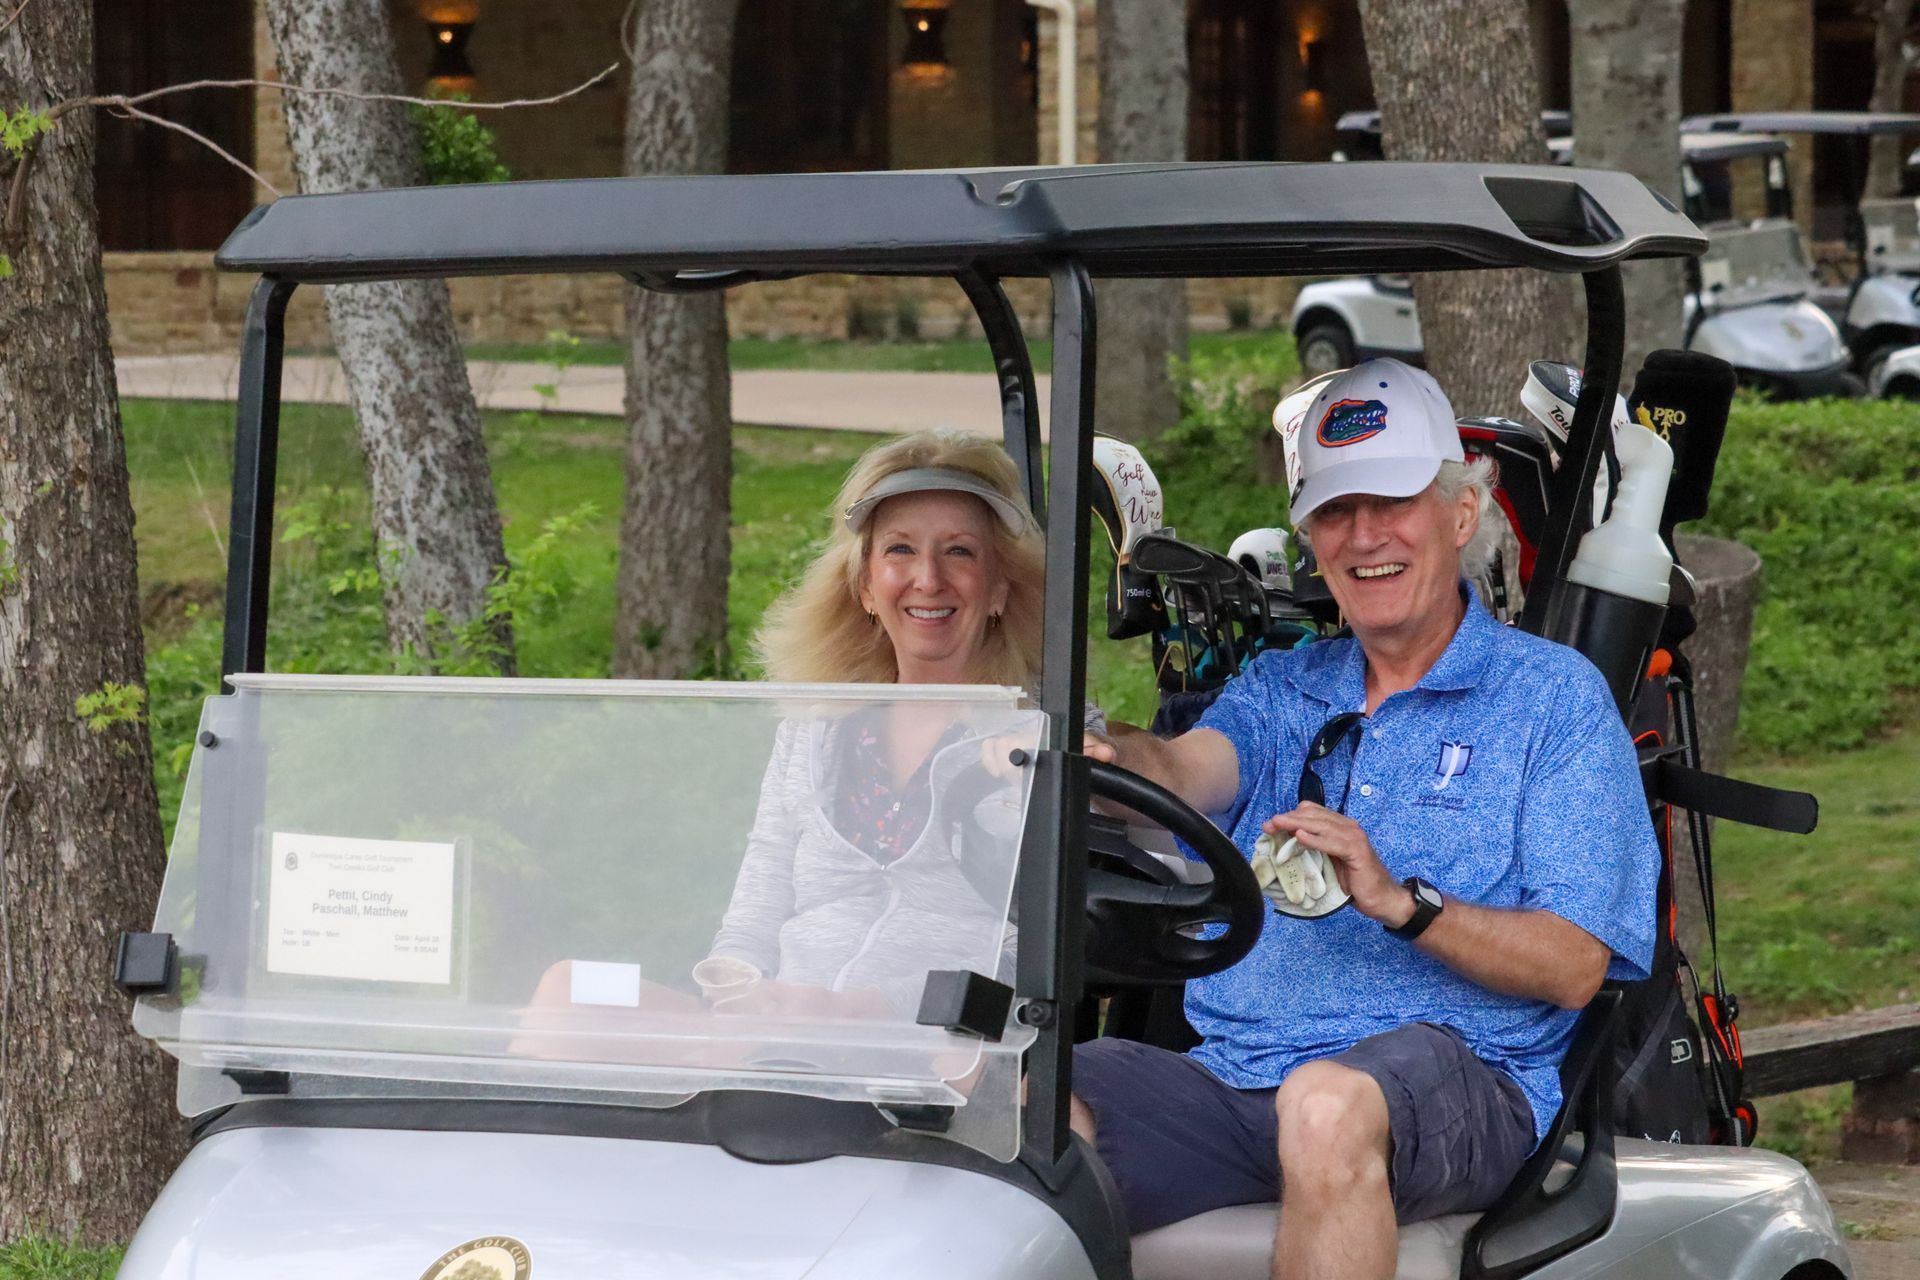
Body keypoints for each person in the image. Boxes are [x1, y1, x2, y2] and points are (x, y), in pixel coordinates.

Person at [1077, 358, 1659, 1280]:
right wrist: (1103, 750)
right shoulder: (1279, 688)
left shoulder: (1551, 700)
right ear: (1311, 539)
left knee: (1326, 1104)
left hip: (1472, 1081)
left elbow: (1575, 963)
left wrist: (1403, 903)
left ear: (1461, 514)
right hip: (1239, 1077)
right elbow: (1184, 769)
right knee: (1025, 1100)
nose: (1365, 536)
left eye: (1393, 501)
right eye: (1337, 512)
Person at [697, 429, 1053, 1019]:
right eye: (900, 551)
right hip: (780, 1027)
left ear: (999, 589)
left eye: (959, 551)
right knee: (567, 996)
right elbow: (757, 902)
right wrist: (737, 990)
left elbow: (1035, 950)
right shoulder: (817, 725)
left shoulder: (1038, 729)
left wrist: (861, 1010)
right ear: (864, 586)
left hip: (936, 1049)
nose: (929, 579)